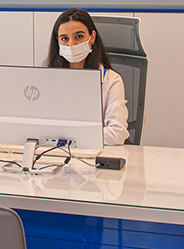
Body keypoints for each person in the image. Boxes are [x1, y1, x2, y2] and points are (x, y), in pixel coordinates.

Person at [46, 8, 129, 146]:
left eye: (78, 37)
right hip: (53, 153)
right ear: (57, 41)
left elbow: (117, 133)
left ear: (92, 37)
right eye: (64, 38)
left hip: (95, 154)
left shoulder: (111, 80)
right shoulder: (47, 79)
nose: (71, 44)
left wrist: (68, 137)